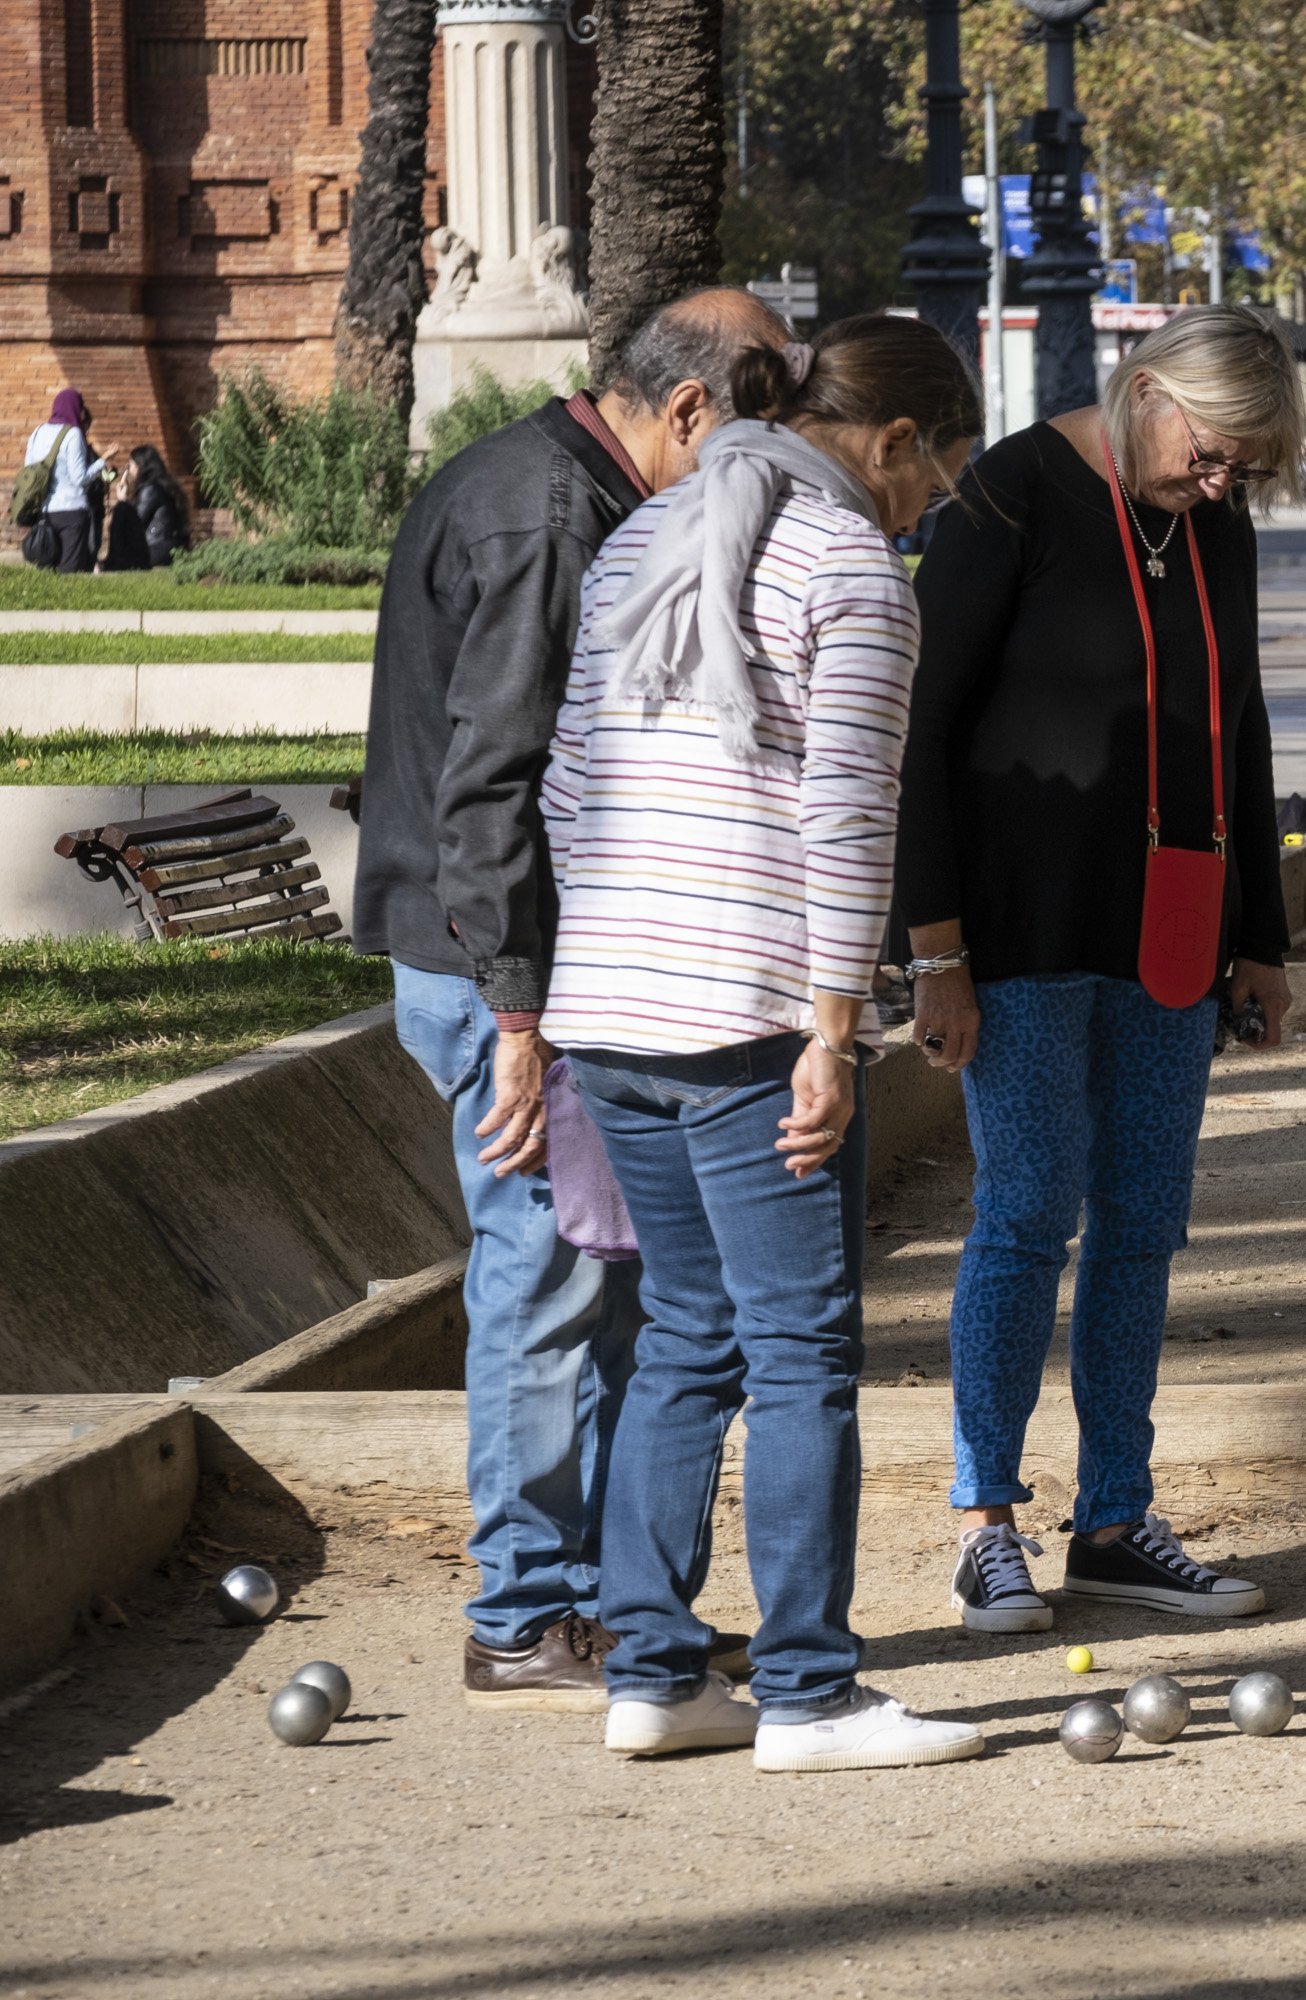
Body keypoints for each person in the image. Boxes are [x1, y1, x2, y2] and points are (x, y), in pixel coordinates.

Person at [542, 314, 986, 1770]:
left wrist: (590, 971)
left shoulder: (640, 538)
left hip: (609, 1003)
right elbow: (849, 811)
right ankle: (806, 1689)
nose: (930, 512)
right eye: (938, 478)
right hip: (745, 1016)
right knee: (801, 1349)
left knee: (685, 1330)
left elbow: (565, 788)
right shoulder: (853, 567)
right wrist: (834, 1029)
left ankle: (655, 1673)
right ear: (892, 442)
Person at [355, 286, 788, 1714]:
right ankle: (522, 1614)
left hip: (521, 965)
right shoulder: (550, 518)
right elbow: (492, 790)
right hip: (500, 973)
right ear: (686, 412)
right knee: (546, 1286)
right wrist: (524, 1019)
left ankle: (606, 1605)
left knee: (605, 1282)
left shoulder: (544, 482)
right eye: (745, 439)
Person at [901, 304, 1305, 1636]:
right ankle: (985, 1520)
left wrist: (1265, 934)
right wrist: (936, 951)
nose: (1223, 480)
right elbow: (922, 735)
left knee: (1142, 1223)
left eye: (1244, 464)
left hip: (1173, 934)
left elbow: (1235, 722)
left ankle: (1117, 1519)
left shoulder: (1216, 530)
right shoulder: (1004, 499)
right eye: (1214, 451)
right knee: (1025, 1213)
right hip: (1018, 937)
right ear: (1146, 392)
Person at [19, 390, 110, 574]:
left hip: (45, 513)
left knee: (47, 571)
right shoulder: (73, 434)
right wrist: (103, 461)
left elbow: (28, 470)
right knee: (71, 572)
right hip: (72, 510)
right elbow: (79, 478)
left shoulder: (37, 432)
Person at [101, 445, 192, 572]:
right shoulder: (159, 485)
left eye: (131, 465)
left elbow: (132, 525)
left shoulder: (150, 489)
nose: (129, 470)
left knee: (115, 559)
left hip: (156, 548)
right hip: (169, 546)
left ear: (140, 466)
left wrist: (123, 501)